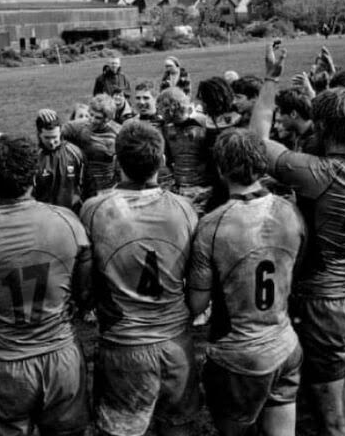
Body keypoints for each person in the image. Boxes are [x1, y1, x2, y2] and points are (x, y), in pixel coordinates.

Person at [250, 43, 345, 436]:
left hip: (325, 307)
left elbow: (257, 142)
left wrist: (271, 78)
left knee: (333, 422)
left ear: (324, 128)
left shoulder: (319, 173)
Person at [0, 135, 92, 436]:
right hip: (60, 356)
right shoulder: (68, 221)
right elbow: (84, 291)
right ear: (33, 175)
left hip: (5, 362)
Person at [80, 121, 200, 436]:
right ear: (161, 161)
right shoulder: (184, 209)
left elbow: (85, 280)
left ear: (117, 162)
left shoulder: (94, 210)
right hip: (175, 342)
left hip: (123, 346)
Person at [188, 129, 306, 436]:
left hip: (237, 356)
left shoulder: (211, 225)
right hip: (285, 343)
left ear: (220, 169)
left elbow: (197, 304)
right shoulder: (291, 211)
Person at [157, 87, 213, 215]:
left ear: (169, 108)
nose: (159, 113)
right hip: (181, 190)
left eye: (161, 108)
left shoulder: (203, 124)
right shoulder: (166, 128)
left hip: (202, 190)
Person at [60, 94, 121, 200]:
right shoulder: (79, 127)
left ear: (108, 118)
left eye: (98, 117)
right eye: (91, 115)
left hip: (107, 189)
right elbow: (56, 133)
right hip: (83, 188)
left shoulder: (118, 133)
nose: (92, 120)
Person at [33, 113, 85, 213]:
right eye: (47, 138)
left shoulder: (75, 153)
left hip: (72, 213)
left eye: (54, 137)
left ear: (60, 132)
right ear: (39, 134)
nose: (52, 142)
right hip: (45, 215)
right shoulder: (34, 158)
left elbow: (87, 186)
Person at [274, 87, 316, 153]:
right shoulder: (301, 134)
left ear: (293, 114)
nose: (275, 126)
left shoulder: (313, 143)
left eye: (280, 113)